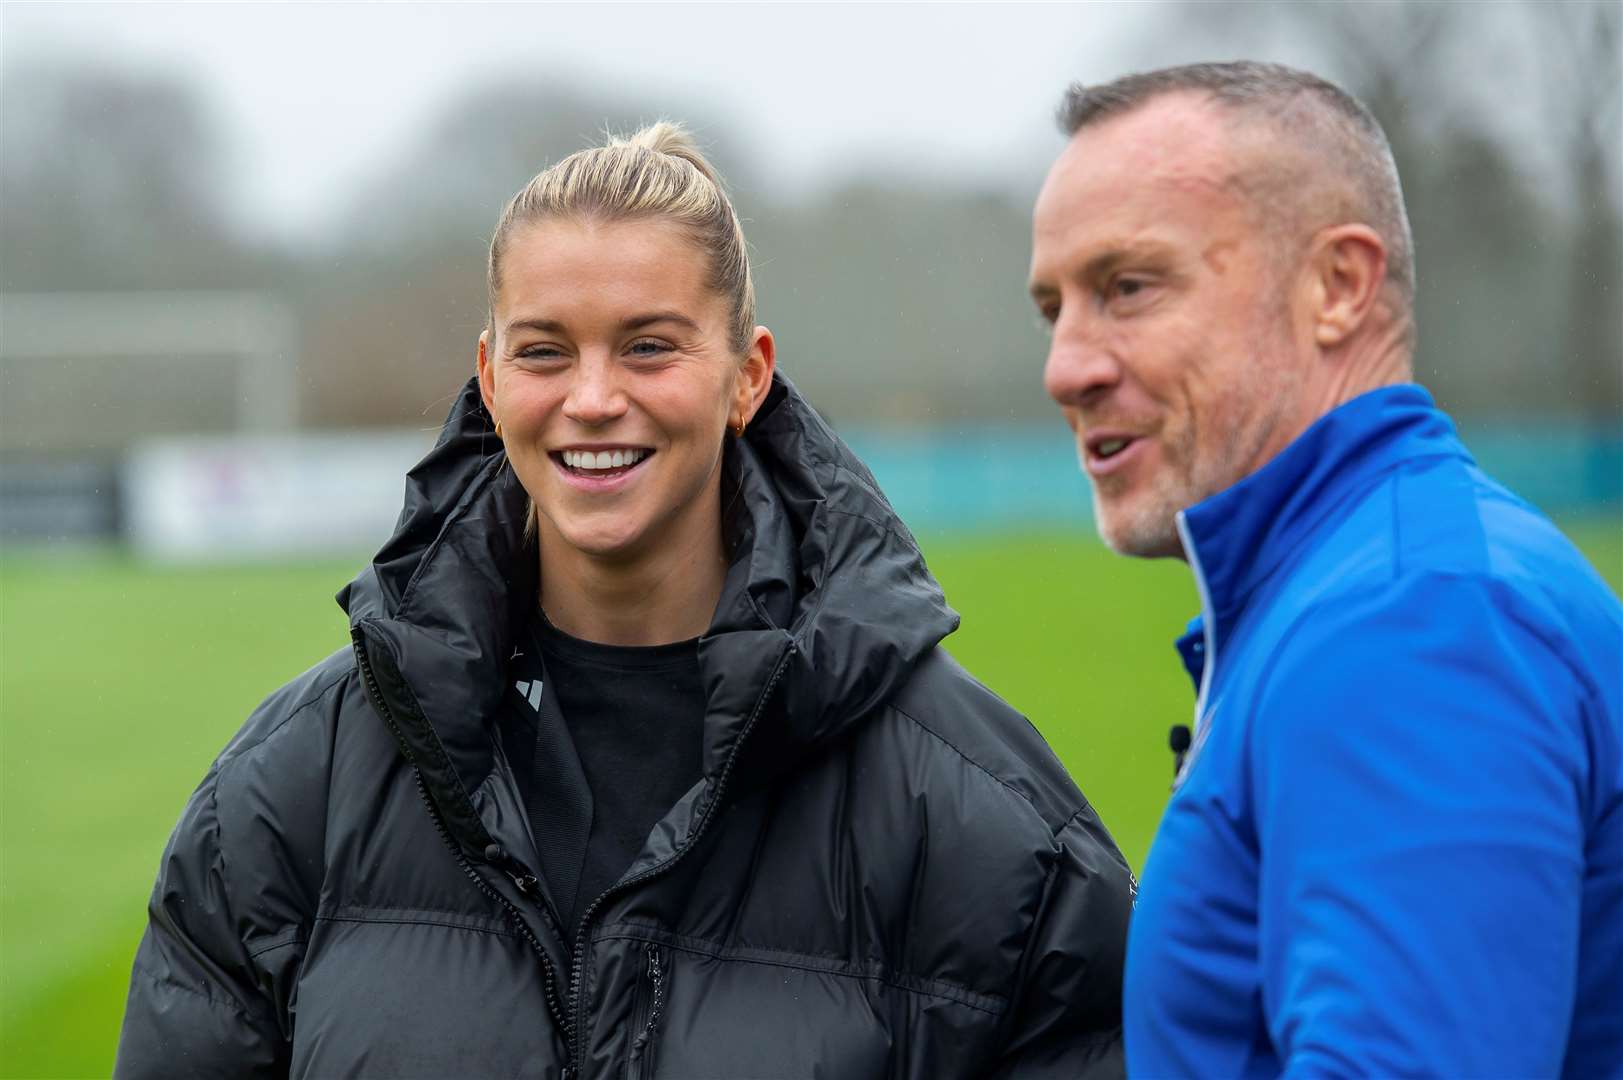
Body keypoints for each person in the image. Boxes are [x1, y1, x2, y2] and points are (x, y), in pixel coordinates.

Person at [115, 122, 1134, 1078]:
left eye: (649, 346)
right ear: (489, 376)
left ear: (748, 377)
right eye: (544, 350)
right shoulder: (291, 785)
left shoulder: (985, 822)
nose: (593, 397)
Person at [1028, 59, 1623, 1077]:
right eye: (1056, 308)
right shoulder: (1363, 589)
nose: (1066, 367)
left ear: (1338, 286)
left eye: (1128, 287)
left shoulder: (1416, 621)